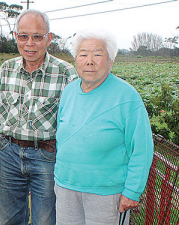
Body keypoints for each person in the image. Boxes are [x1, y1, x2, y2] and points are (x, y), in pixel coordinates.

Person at [0, 9, 77, 225]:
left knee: (45, 220)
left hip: (47, 156)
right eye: (23, 36)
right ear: (16, 37)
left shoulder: (66, 73)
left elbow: (73, 124)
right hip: (9, 154)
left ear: (49, 38)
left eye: (37, 36)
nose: (30, 43)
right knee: (9, 219)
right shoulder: (6, 70)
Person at [54, 29, 154, 225]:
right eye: (83, 54)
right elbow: (63, 135)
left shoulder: (127, 96)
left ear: (111, 60)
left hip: (107, 194)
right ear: (76, 60)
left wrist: (132, 191)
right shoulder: (69, 91)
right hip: (66, 188)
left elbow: (142, 148)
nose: (89, 61)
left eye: (97, 54)